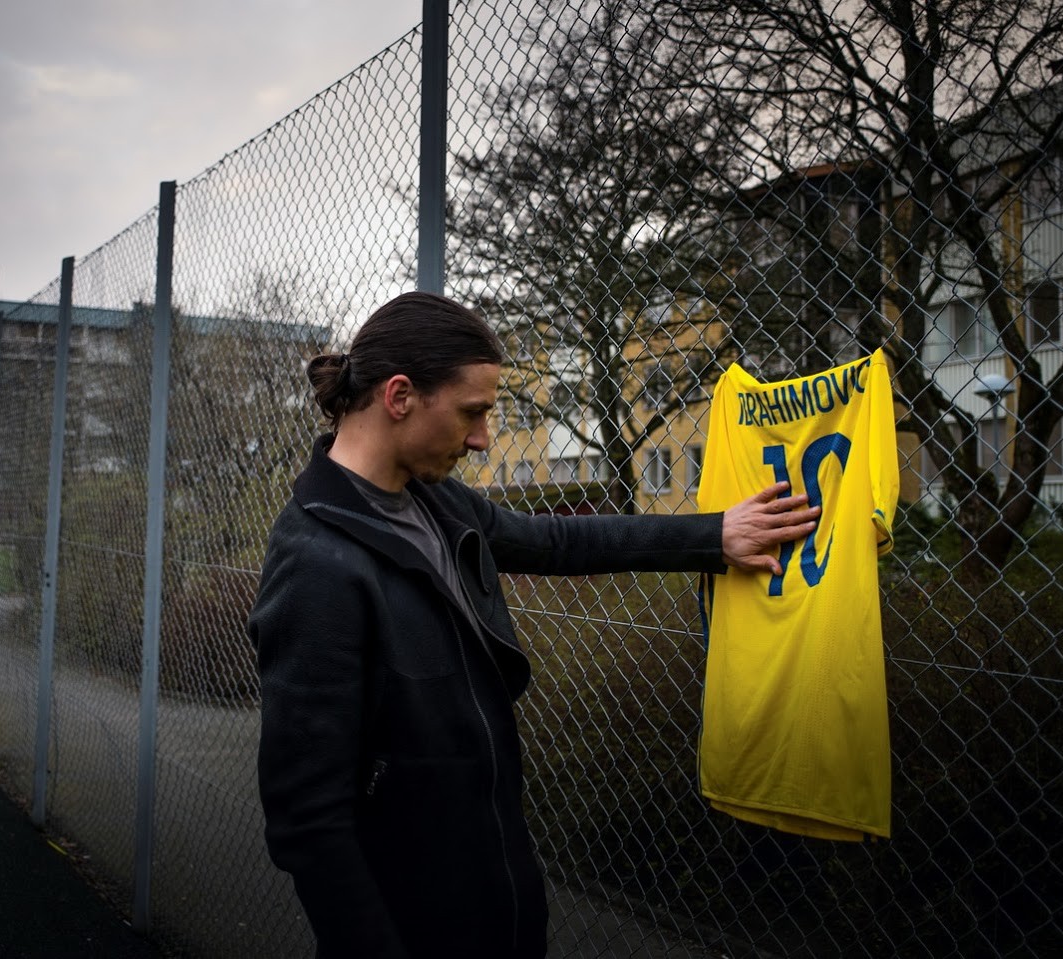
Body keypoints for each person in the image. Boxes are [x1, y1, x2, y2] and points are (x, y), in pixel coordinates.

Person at [248, 291, 819, 959]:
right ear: (399, 396)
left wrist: (714, 535)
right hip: (414, 929)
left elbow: (556, 541)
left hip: (502, 906)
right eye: (473, 412)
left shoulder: (434, 500)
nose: (483, 438)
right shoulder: (315, 564)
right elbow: (307, 821)